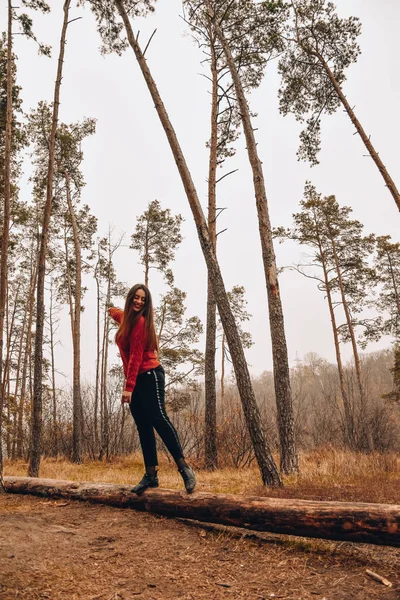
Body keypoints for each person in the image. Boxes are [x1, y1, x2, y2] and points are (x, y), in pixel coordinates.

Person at [108, 283, 196, 495]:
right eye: (136, 298)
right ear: (130, 299)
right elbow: (120, 314)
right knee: (143, 426)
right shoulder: (127, 319)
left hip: (149, 375)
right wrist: (112, 310)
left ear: (146, 304)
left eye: (143, 299)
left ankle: (185, 469)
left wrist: (128, 387)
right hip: (137, 378)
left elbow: (136, 357)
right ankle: (151, 475)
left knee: (159, 419)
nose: (139, 302)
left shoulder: (139, 323)